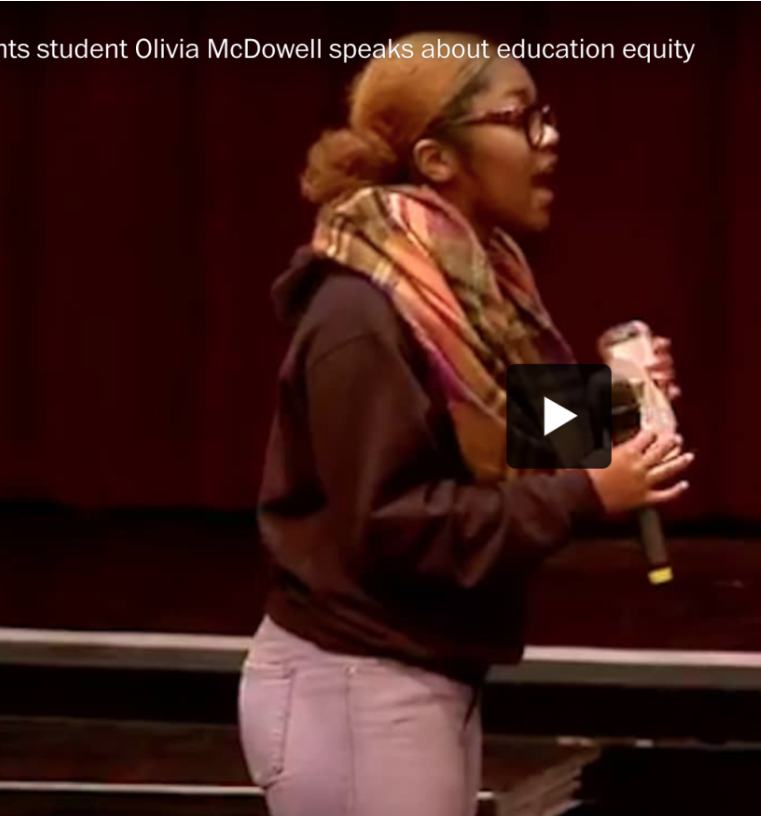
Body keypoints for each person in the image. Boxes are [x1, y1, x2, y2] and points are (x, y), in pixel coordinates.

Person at [238, 31, 692, 816]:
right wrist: (586, 494)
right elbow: (394, 526)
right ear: (436, 158)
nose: (549, 138)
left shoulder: (463, 282)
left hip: (413, 674)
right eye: (519, 118)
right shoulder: (362, 312)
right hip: (354, 685)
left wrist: (615, 408)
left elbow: (482, 431)